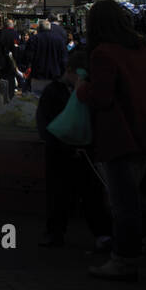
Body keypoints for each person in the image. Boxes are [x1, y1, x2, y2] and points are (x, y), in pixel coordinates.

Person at [74, 0, 146, 281]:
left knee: (122, 202)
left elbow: (101, 97)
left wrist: (80, 89)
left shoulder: (103, 53)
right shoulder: (139, 48)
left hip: (119, 135)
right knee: (133, 196)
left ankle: (124, 259)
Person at [36, 46, 111, 249]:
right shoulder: (54, 91)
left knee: (91, 194)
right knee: (59, 194)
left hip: (83, 152)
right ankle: (55, 232)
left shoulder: (83, 92)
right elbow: (46, 123)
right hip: (60, 152)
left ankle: (101, 233)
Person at [23, 17, 68, 95]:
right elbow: (64, 59)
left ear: (39, 28)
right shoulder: (59, 40)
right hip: (54, 76)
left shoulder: (33, 39)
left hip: (38, 76)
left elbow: (28, 57)